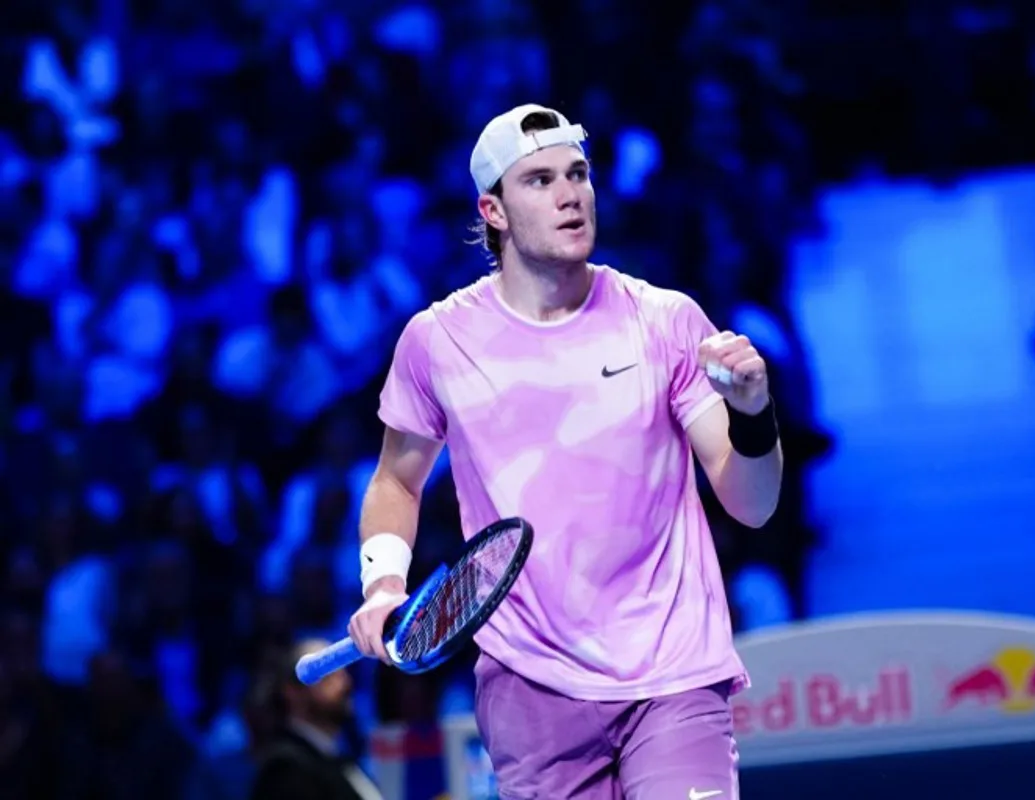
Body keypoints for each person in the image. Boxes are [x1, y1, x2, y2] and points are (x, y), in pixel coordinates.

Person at [347, 103, 783, 799]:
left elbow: (752, 505)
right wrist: (382, 587)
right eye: (541, 180)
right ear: (493, 210)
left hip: (673, 672)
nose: (570, 193)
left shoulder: (666, 322)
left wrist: (754, 414)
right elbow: (396, 483)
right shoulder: (436, 343)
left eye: (578, 174)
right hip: (530, 688)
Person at [251, 639, 383, 800]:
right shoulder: (286, 768)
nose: (345, 684)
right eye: (329, 676)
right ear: (292, 692)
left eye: (343, 674)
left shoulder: (337, 756)